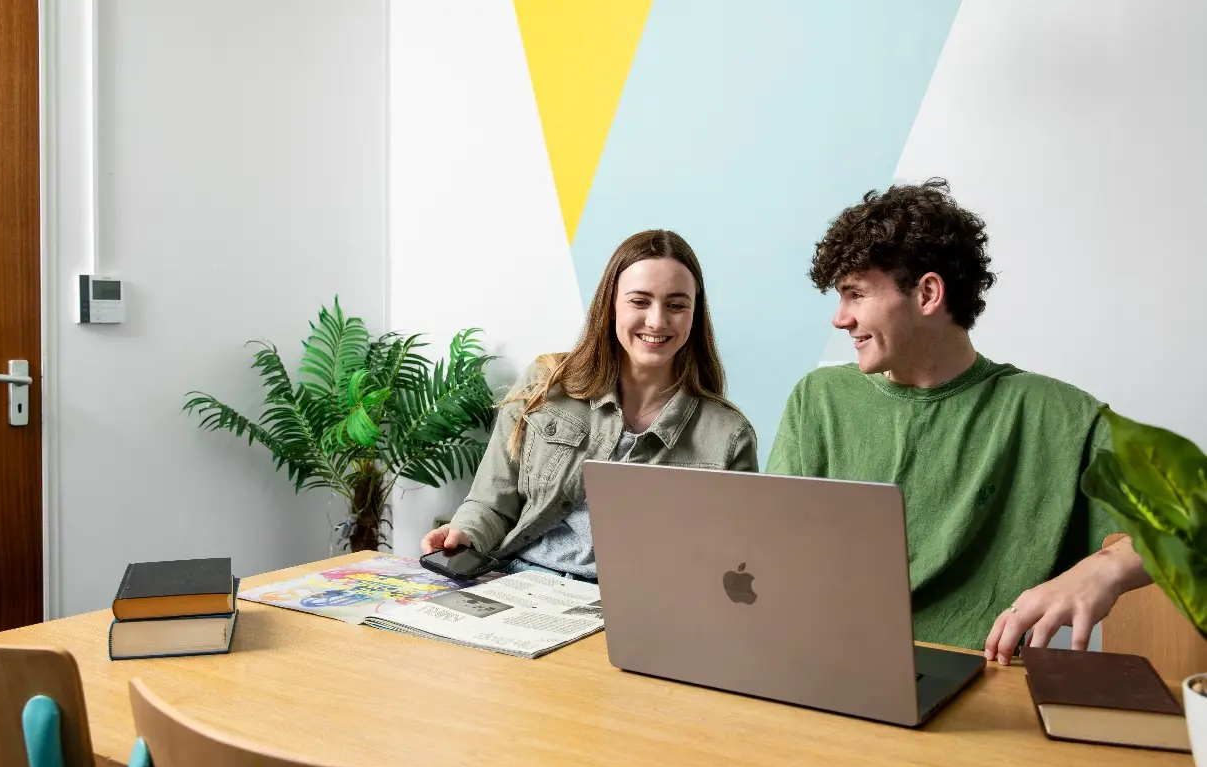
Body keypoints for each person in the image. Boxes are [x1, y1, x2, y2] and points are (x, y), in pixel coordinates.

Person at [765, 178, 1150, 662]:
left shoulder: (1061, 416)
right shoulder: (818, 400)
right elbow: (770, 554)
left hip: (977, 682)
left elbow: (1191, 521)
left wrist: (1103, 570)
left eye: (855, 294)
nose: (839, 319)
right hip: (829, 664)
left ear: (927, 293)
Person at [421, 229, 758, 580]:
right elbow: (491, 503)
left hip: (633, 607)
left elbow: (730, 563)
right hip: (518, 581)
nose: (657, 320)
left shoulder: (729, 437)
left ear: (694, 314)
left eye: (676, 305)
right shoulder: (545, 382)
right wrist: (466, 532)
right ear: (610, 305)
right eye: (639, 301)